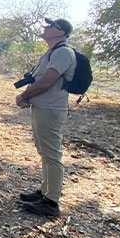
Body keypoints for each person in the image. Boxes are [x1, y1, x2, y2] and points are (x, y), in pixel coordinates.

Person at [14, 18, 77, 217]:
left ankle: (51, 201)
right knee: (45, 151)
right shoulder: (53, 52)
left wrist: (25, 95)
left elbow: (47, 82)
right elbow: (39, 80)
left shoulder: (63, 53)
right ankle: (45, 191)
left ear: (61, 32)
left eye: (51, 26)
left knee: (51, 154)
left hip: (51, 109)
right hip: (42, 108)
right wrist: (29, 97)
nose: (46, 28)